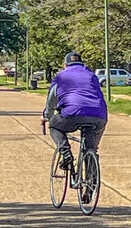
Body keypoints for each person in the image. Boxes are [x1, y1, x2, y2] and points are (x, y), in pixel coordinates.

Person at [41, 52, 108, 194]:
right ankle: (91, 183)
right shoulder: (92, 75)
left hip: (72, 113)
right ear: (82, 64)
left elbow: (51, 100)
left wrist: (47, 116)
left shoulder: (61, 76)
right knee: (91, 149)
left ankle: (65, 153)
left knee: (54, 125)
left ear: (65, 65)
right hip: (98, 115)